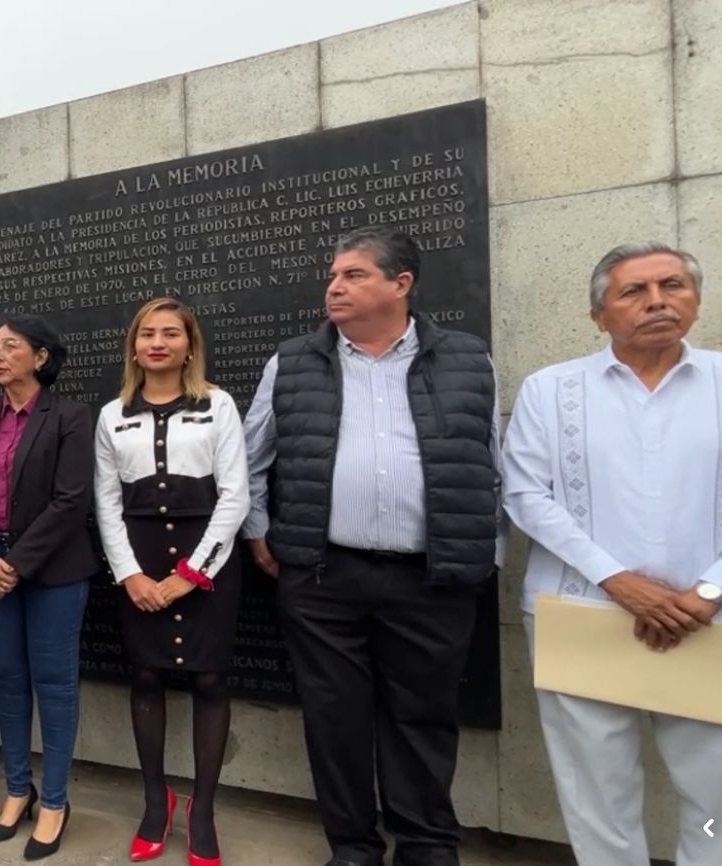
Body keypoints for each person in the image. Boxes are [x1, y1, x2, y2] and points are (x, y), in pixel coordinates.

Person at [243, 227, 500, 866]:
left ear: (401, 284)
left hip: (431, 579)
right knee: (335, 723)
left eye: (353, 274)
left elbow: (492, 465)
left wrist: (482, 552)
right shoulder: (292, 360)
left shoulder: (468, 359)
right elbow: (248, 457)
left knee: (425, 719)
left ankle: (427, 847)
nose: (334, 286)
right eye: (332, 275)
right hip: (325, 579)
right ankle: (353, 848)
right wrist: (258, 531)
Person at [501, 242, 722, 866]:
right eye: (633, 291)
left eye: (673, 286)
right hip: (581, 614)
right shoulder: (551, 390)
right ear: (599, 315)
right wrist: (621, 582)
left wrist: (706, 592)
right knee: (597, 793)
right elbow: (525, 495)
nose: (657, 301)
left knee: (715, 796)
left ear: (696, 300)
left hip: (708, 621)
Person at [93, 298, 249, 866]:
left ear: (189, 344)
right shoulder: (113, 414)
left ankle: (202, 808)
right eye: (146, 334)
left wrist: (191, 575)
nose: (157, 343)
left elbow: (236, 496)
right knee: (145, 675)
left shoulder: (218, 405)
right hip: (140, 555)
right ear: (134, 346)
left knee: (209, 680)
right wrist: (130, 574)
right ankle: (154, 801)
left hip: (207, 558)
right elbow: (107, 502)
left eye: (170, 333)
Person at [0, 315, 97, 861]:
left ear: (41, 357)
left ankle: (54, 800)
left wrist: (16, 563)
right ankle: (18, 790)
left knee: (55, 685)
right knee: (8, 683)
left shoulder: (71, 417)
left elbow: (71, 500)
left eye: (11, 346)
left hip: (53, 571)